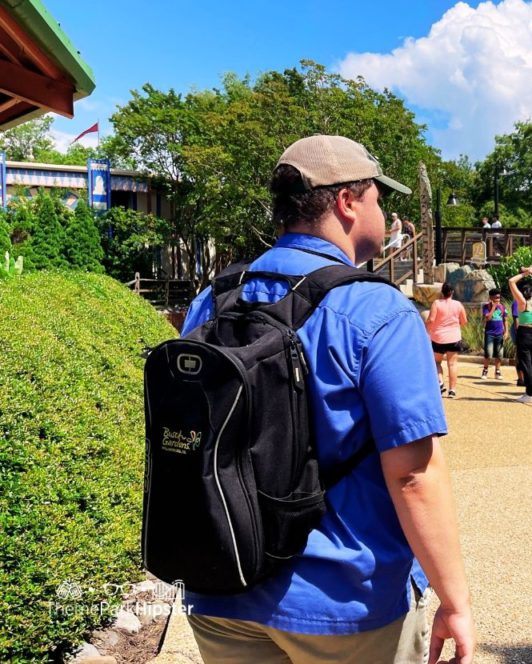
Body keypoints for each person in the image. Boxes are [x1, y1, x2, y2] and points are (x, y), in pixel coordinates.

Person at [178, 135, 474, 664]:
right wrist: (456, 601)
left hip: (221, 586)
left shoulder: (213, 299)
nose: (384, 212)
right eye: (379, 198)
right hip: (347, 605)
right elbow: (412, 475)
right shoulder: (377, 310)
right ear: (347, 202)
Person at [508, 266, 532, 403]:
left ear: (523, 293)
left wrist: (525, 273)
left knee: (526, 364)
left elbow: (511, 281)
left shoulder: (522, 302)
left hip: (524, 333)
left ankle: (530, 393)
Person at [428, 283, 468, 399]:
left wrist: (426, 328)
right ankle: (452, 390)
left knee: (436, 362)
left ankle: (440, 382)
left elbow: (431, 319)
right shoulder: (458, 304)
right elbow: (464, 321)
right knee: (452, 364)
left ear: (442, 292)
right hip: (454, 337)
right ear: (452, 292)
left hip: (438, 337)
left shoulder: (436, 303)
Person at [480, 288, 508, 379]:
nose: (498, 300)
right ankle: (485, 370)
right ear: (491, 297)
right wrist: (493, 307)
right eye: (496, 297)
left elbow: (505, 320)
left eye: (499, 297)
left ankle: (497, 371)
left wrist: (506, 331)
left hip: (499, 333)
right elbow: (487, 318)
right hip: (490, 333)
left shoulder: (503, 307)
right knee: (488, 353)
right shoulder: (486, 307)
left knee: (499, 354)